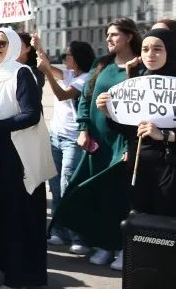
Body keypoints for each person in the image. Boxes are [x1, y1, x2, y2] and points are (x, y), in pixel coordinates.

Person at [54, 17, 142, 270]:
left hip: (122, 142)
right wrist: (83, 128)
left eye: (114, 34)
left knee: (120, 197)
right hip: (96, 141)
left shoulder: (139, 68)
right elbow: (85, 97)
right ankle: (104, 245)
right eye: (107, 35)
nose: (108, 39)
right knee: (96, 194)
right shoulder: (101, 64)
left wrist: (131, 145)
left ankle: (123, 248)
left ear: (128, 36)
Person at [0, 28, 50, 289]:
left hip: (17, 157)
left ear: (15, 45)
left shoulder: (22, 73)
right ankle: (8, 270)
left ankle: (17, 282)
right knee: (2, 218)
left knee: (16, 219)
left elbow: (31, 115)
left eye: (2, 43)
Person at [96, 28, 176, 270]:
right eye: (146, 49)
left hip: (169, 167)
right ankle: (144, 271)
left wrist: (163, 135)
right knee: (141, 217)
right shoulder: (141, 82)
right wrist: (109, 112)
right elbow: (130, 129)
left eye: (158, 48)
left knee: (165, 220)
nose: (150, 54)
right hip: (141, 163)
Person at [36, 41, 95, 254]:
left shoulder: (84, 79)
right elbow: (47, 64)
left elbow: (61, 94)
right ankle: (59, 231)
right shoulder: (70, 74)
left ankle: (77, 235)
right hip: (56, 137)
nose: (64, 57)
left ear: (77, 57)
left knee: (68, 185)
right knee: (55, 186)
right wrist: (38, 46)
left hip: (72, 139)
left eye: (67, 54)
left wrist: (47, 73)